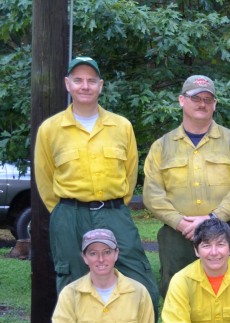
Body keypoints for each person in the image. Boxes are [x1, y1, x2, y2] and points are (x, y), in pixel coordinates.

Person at [34, 56, 159, 306]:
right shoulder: (50, 129)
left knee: (141, 283)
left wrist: (113, 205)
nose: (85, 86)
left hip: (114, 212)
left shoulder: (121, 126)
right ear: (67, 84)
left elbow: (130, 173)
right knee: (73, 287)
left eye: (91, 80)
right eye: (78, 80)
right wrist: (64, 212)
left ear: (100, 86)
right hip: (70, 215)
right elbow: (45, 179)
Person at [143, 75, 230, 296]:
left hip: (224, 231)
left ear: (215, 104)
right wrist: (180, 222)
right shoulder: (162, 146)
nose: (202, 103)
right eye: (196, 98)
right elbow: (152, 193)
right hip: (177, 235)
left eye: (208, 99)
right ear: (182, 100)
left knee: (229, 294)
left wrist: (213, 217)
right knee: (179, 294)